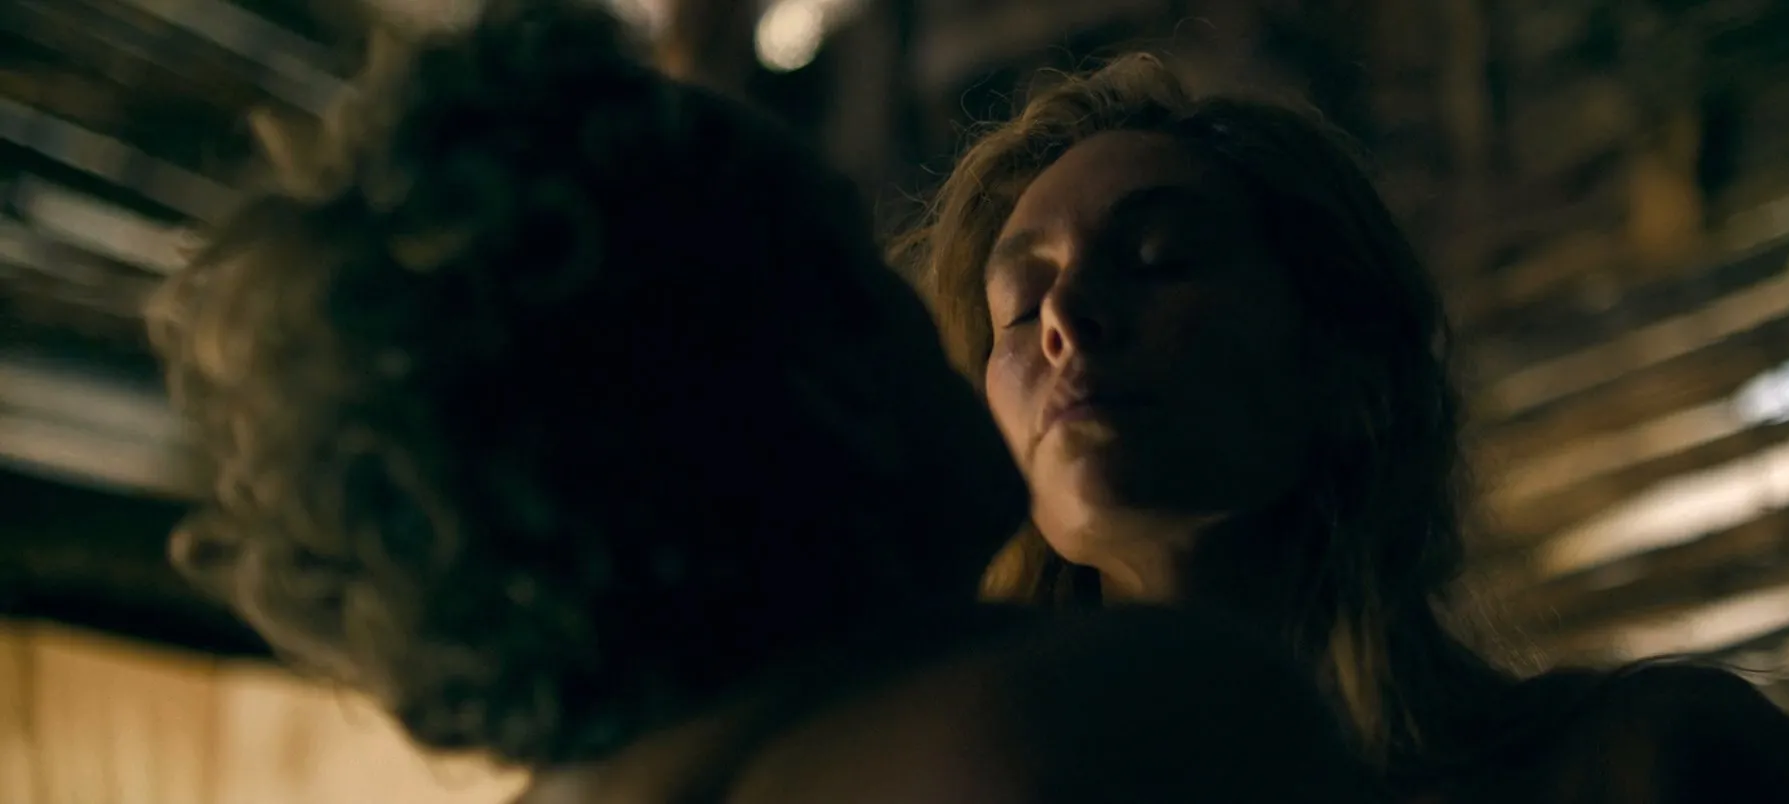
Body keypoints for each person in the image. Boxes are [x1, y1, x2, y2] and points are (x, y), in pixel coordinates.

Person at [145, 4, 1379, 802]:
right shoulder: (1099, 731)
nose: (928, 311)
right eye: (849, 248)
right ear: (792, 374)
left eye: (1160, 260)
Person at [897, 53, 1789, 803]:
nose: (1068, 318)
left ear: (1346, 359)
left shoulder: (1654, 766)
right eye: (1020, 305)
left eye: (1160, 257)